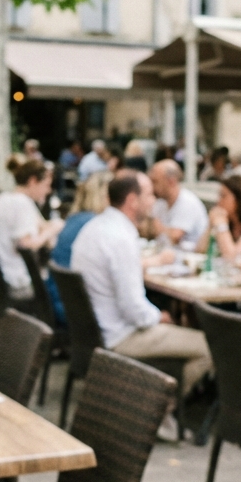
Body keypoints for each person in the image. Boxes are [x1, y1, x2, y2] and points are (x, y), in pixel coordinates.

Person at [70, 170, 212, 409]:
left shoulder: (95, 227)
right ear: (132, 200)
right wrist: (159, 317)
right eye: (148, 195)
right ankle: (156, 410)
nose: (153, 200)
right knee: (211, 346)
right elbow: (133, 310)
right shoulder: (120, 237)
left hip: (95, 331)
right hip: (119, 336)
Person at [0, 159, 64, 301]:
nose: (48, 191)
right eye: (46, 185)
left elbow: (44, 230)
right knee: (62, 290)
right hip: (18, 282)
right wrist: (51, 230)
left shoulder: (3, 198)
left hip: (0, 277)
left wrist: (47, 229)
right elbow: (26, 244)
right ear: (33, 181)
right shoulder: (21, 203)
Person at [51, 169, 112, 268]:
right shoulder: (94, 223)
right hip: (73, 275)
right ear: (105, 195)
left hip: (60, 276)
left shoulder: (75, 218)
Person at [149, 159, 209, 251]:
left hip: (190, 256)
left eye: (155, 181)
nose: (152, 186)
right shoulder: (161, 202)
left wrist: (153, 220)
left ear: (171, 181)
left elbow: (175, 237)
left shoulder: (187, 202)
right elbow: (148, 230)